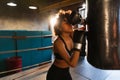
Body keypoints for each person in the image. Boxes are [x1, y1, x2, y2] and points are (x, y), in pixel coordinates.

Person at [46, 10, 85, 80]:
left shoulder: (71, 35)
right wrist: (78, 43)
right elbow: (72, 63)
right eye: (65, 22)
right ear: (59, 27)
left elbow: (85, 28)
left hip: (66, 72)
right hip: (55, 74)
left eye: (69, 22)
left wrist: (80, 20)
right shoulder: (58, 42)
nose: (69, 24)